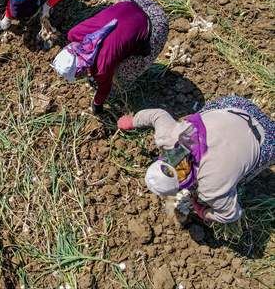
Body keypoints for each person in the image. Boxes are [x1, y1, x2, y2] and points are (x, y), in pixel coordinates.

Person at [117, 96, 274, 224]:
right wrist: (133, 121)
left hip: (267, 137)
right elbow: (157, 115)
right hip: (239, 108)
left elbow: (231, 215)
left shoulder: (211, 187)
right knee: (197, 119)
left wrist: (203, 211)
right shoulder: (170, 136)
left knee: (241, 177)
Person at [51, 0, 169, 113]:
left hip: (155, 23)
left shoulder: (101, 67)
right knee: (118, 48)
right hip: (135, 1)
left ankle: (119, 88)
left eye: (78, 75)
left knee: (124, 74)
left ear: (81, 69)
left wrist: (97, 105)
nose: (79, 78)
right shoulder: (73, 34)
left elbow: (104, 90)